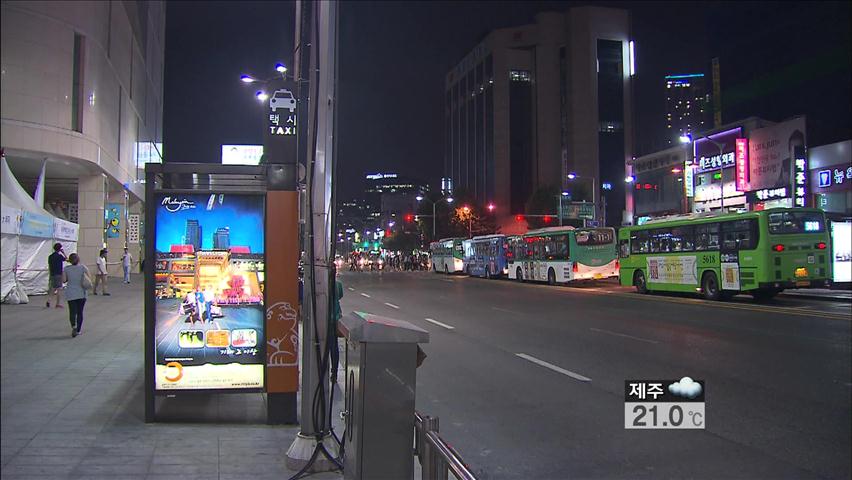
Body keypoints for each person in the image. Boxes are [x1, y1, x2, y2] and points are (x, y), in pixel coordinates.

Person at [62, 253, 91, 337]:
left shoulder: (66, 269)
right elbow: (89, 279)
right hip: (81, 293)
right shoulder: (83, 268)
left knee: (72, 311)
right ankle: (78, 330)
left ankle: (73, 326)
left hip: (71, 293)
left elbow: (64, 280)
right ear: (78, 259)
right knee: (80, 312)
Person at [329, 266, 344, 384]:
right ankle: (334, 372)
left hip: (327, 319)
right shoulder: (338, 285)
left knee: (327, 346)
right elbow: (340, 296)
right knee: (334, 347)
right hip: (336, 318)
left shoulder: (324, 285)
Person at [47, 243, 66, 308]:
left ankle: (49, 300)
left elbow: (49, 265)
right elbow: (67, 259)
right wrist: (63, 252)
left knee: (52, 288)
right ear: (60, 249)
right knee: (59, 289)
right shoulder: (60, 256)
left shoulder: (50, 256)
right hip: (58, 274)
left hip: (52, 274)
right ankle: (57, 303)